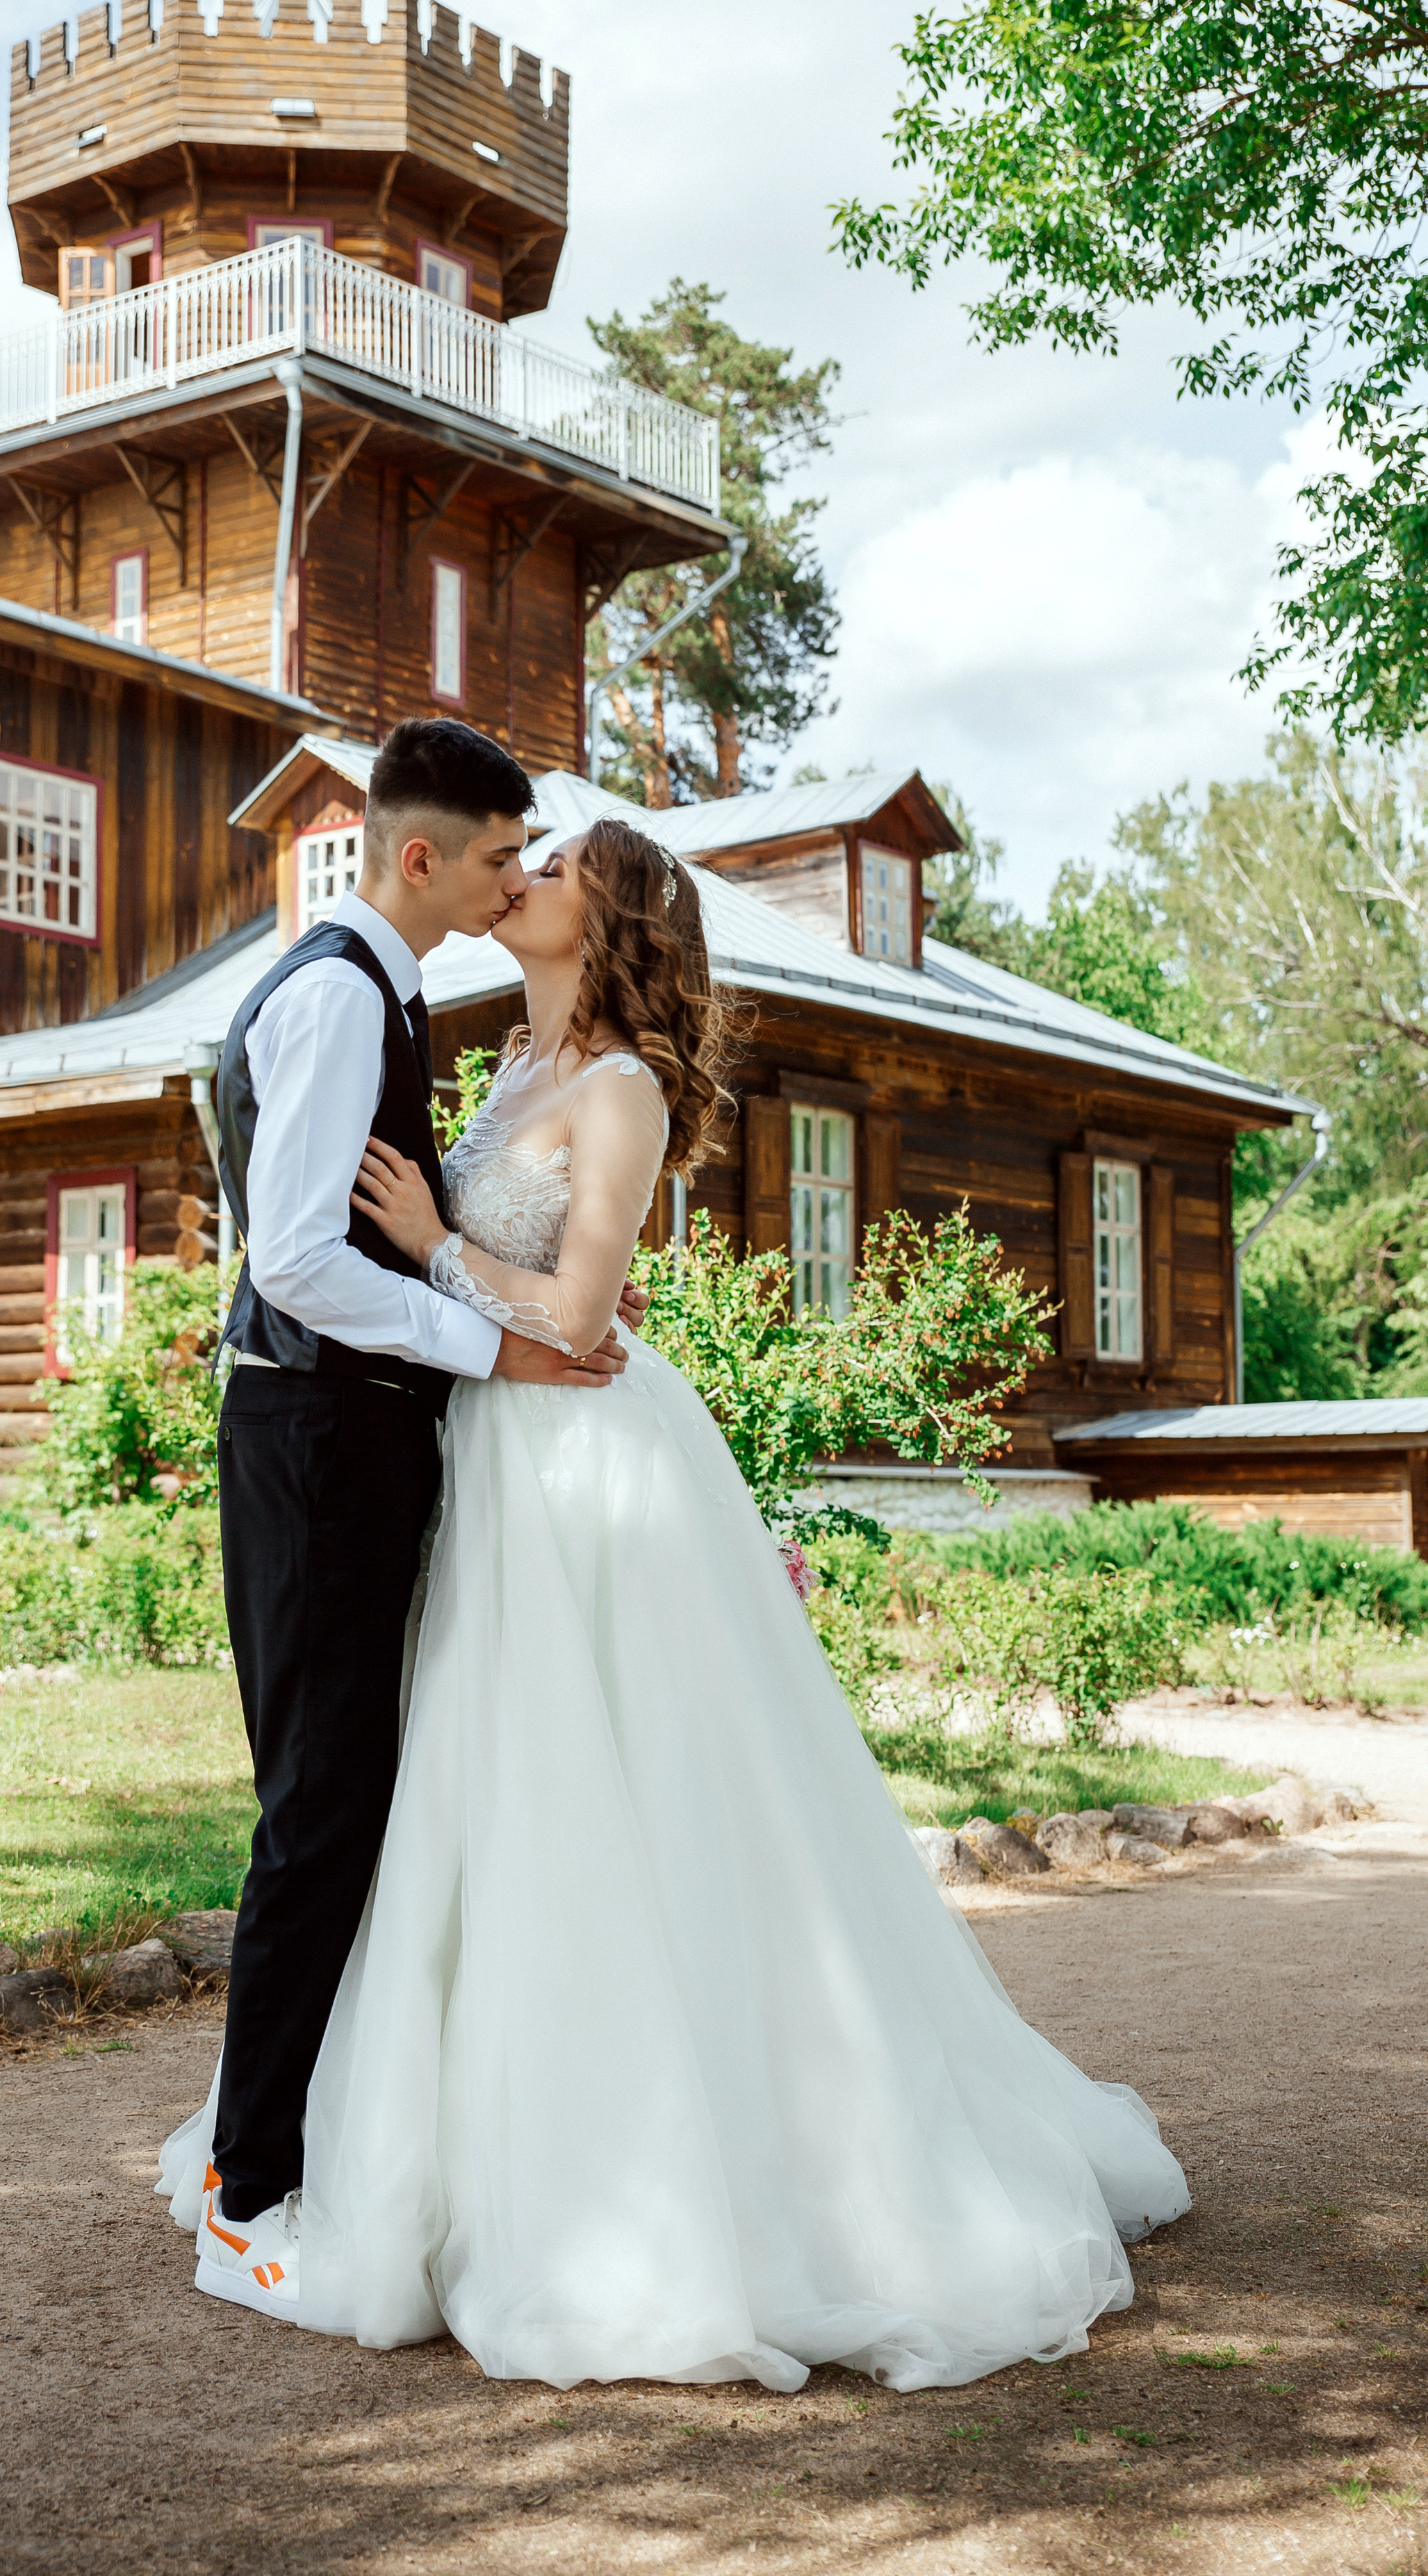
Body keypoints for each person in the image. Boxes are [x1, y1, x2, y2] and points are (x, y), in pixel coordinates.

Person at [163, 812, 1191, 2392]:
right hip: (491, 1453)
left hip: (581, 1467)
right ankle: (434, 2138)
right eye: (520, 858)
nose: (523, 876)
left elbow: (579, 1317)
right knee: (477, 1790)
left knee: (609, 1786)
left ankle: (666, 2164)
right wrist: (454, 1263)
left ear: (610, 921)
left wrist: (436, 1243)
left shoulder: (624, 1087)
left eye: (555, 868)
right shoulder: (512, 1069)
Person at [197, 718, 639, 2309]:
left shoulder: (388, 999)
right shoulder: (336, 996)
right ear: (418, 856)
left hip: (355, 1434)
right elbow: (296, 1261)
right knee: (320, 1808)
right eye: (502, 856)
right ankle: (249, 2195)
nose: (515, 880)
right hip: (322, 1434)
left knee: (351, 1798)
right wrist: (491, 1342)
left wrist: (490, 1292)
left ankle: (299, 2146)